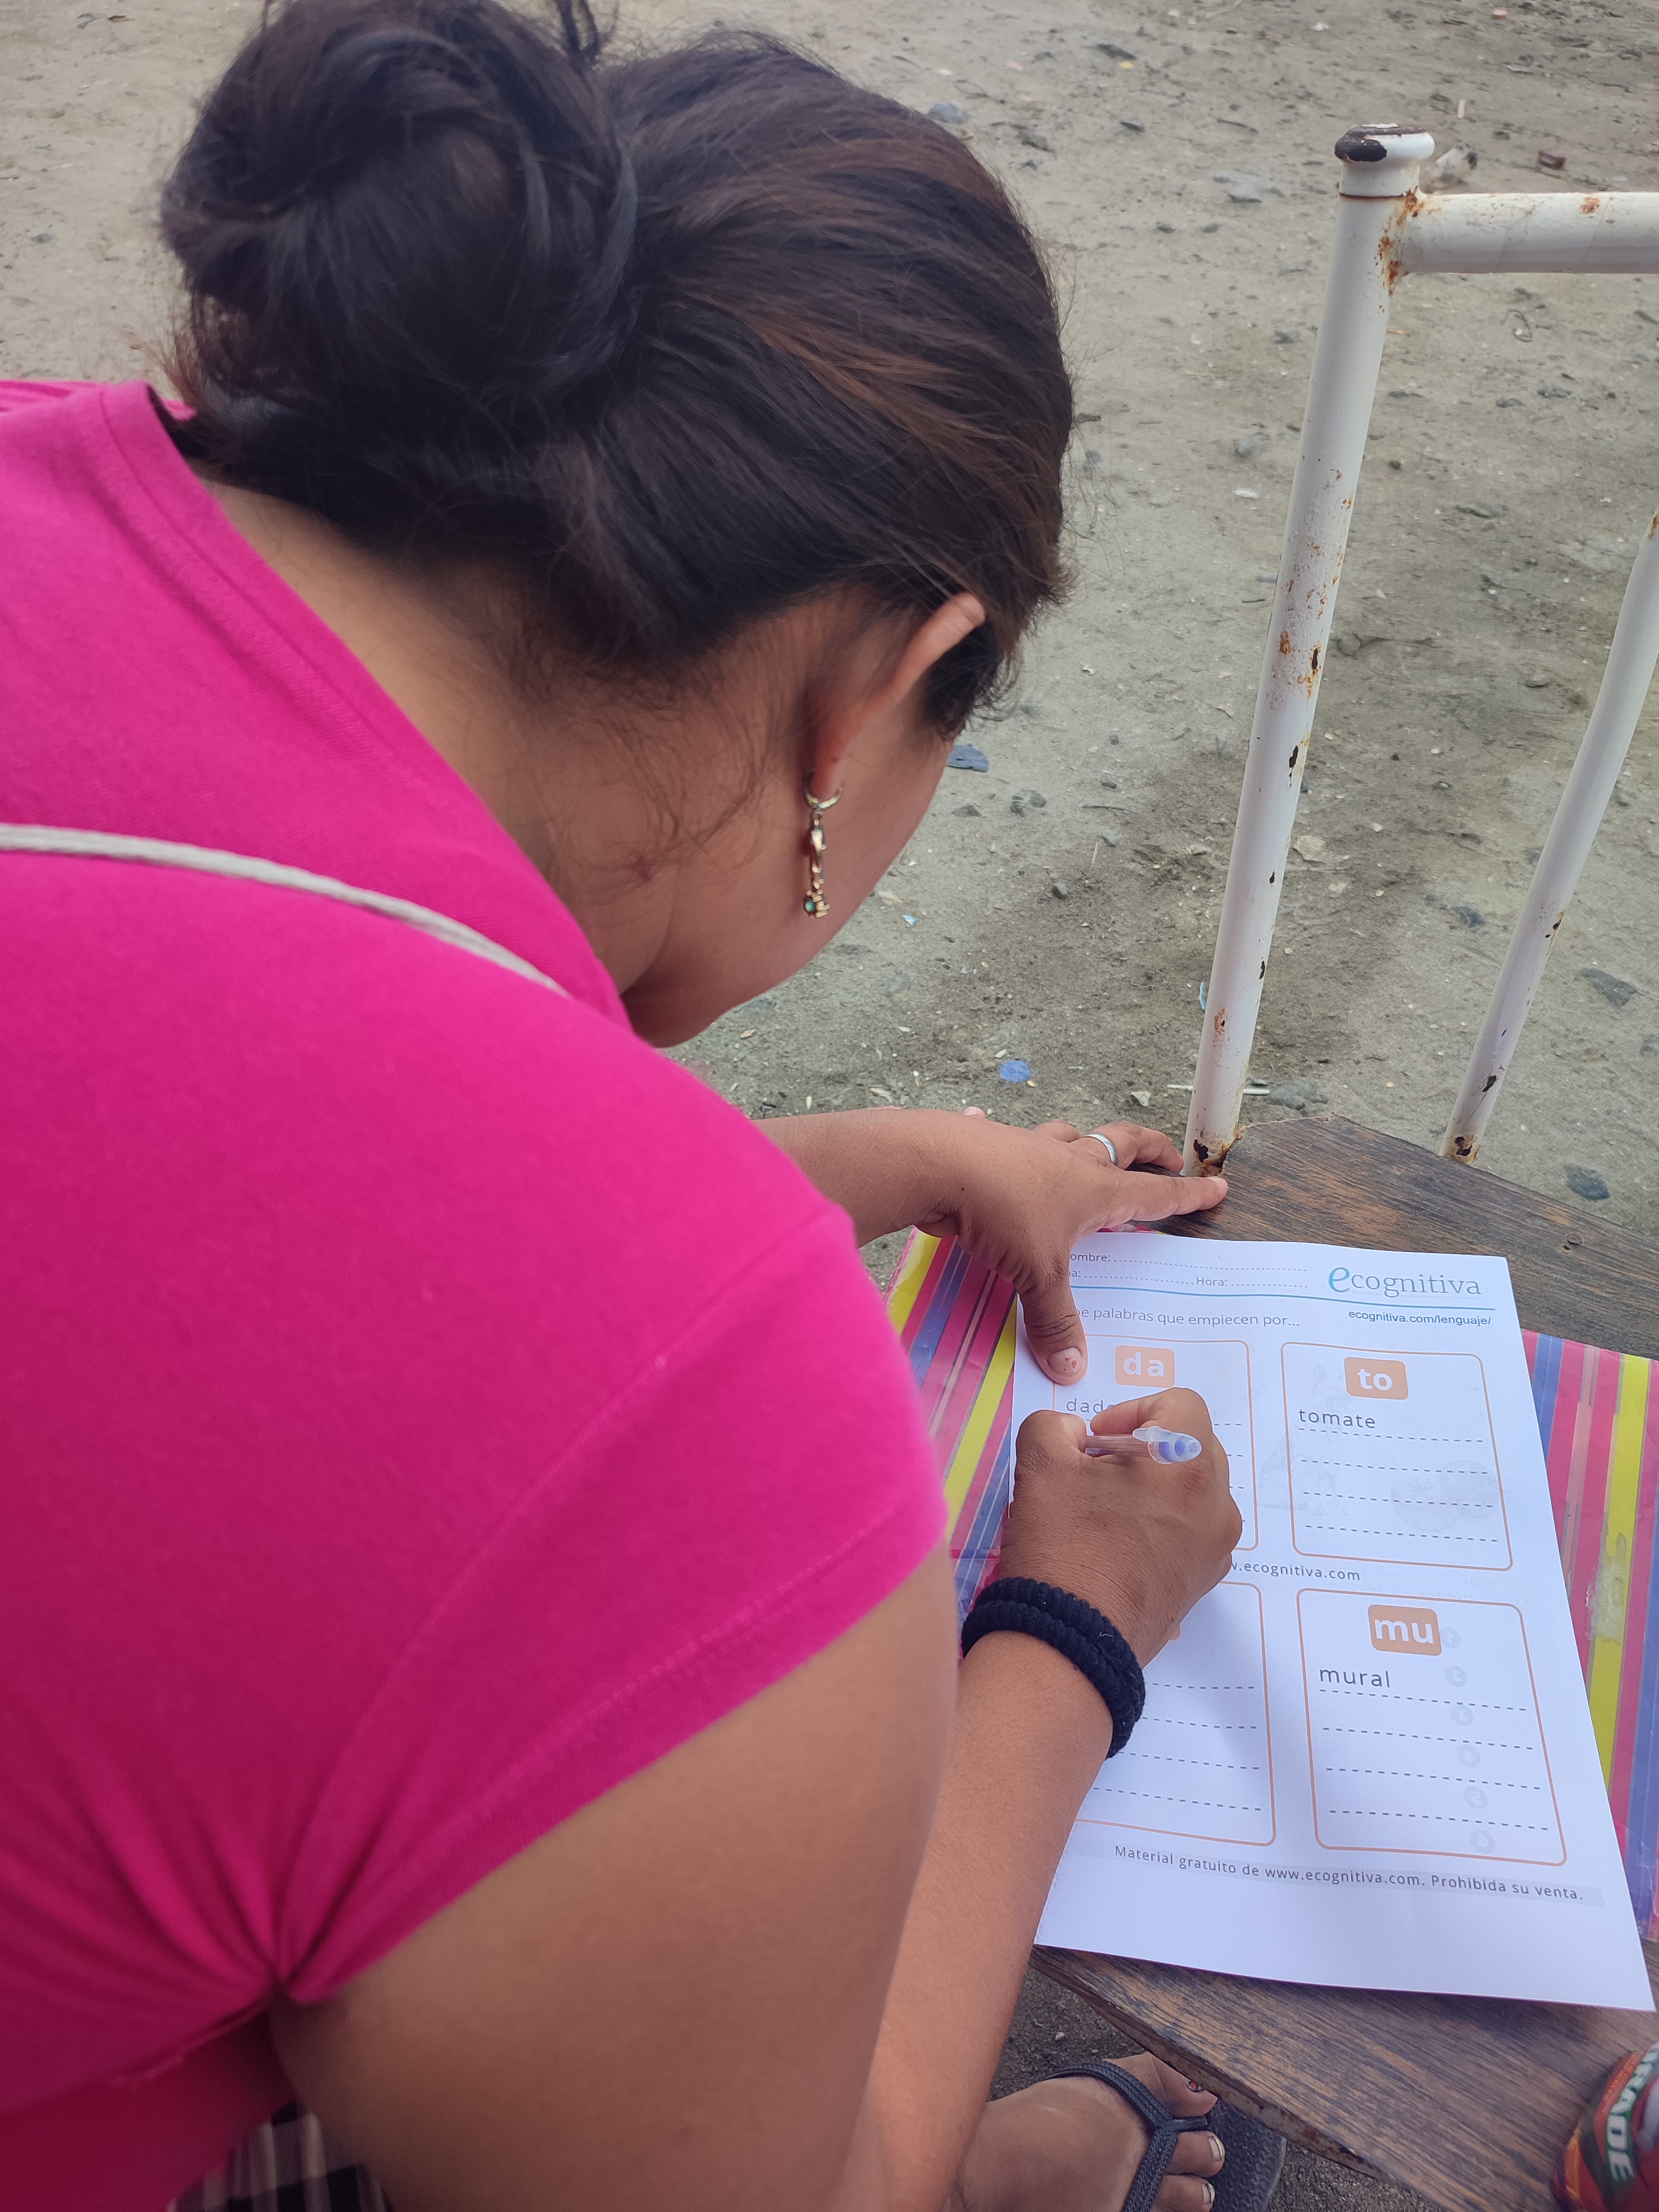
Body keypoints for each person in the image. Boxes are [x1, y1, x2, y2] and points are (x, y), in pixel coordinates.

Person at [0, 4, 1251, 2207]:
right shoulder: (679, 1388)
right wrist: (1074, 1630)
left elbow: (205, 1225)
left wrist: (869, 1164)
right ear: (878, 686)